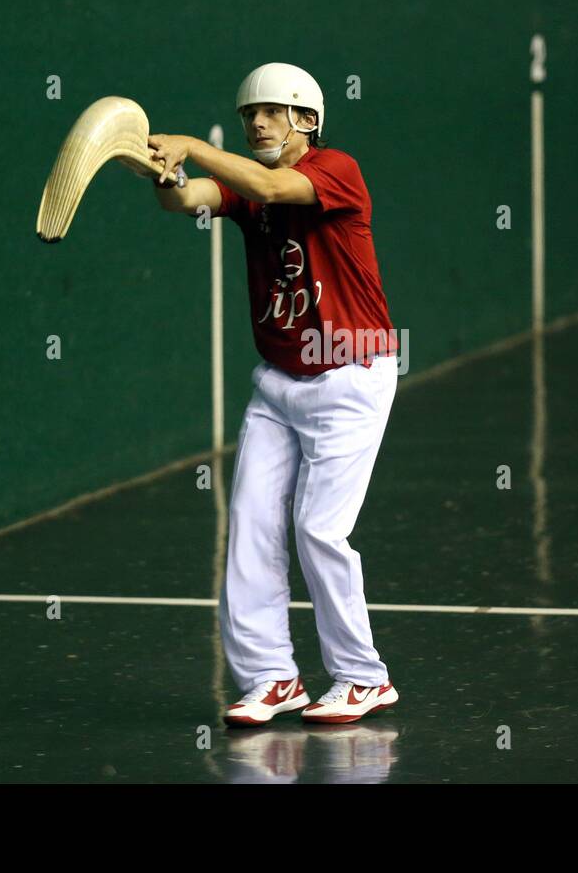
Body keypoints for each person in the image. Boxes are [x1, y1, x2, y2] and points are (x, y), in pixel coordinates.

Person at [148, 62, 400, 726]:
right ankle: (272, 678)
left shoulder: (335, 170)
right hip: (278, 383)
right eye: (247, 114)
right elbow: (187, 199)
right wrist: (158, 170)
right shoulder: (248, 192)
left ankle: (362, 677)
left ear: (307, 121)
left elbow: (263, 181)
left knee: (319, 529)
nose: (256, 122)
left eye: (270, 111)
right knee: (252, 526)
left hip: (350, 374)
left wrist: (195, 145)